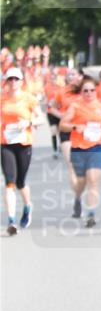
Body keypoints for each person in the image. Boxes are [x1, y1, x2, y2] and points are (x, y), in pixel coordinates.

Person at [60, 76, 101, 227]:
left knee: (93, 180)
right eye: (85, 91)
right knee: (81, 182)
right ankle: (77, 198)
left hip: (97, 147)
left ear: (96, 91)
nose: (89, 93)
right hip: (79, 148)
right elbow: (62, 125)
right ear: (81, 92)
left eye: (92, 90)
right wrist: (75, 127)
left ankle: (91, 214)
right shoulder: (75, 106)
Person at [1, 67, 44, 235]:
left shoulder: (28, 99)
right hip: (6, 143)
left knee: (20, 182)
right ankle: (11, 221)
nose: (13, 82)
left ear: (21, 82)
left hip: (24, 144)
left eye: (16, 79)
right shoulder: (2, 99)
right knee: (9, 182)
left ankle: (27, 206)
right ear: (6, 82)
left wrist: (28, 122)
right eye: (10, 79)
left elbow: (40, 118)